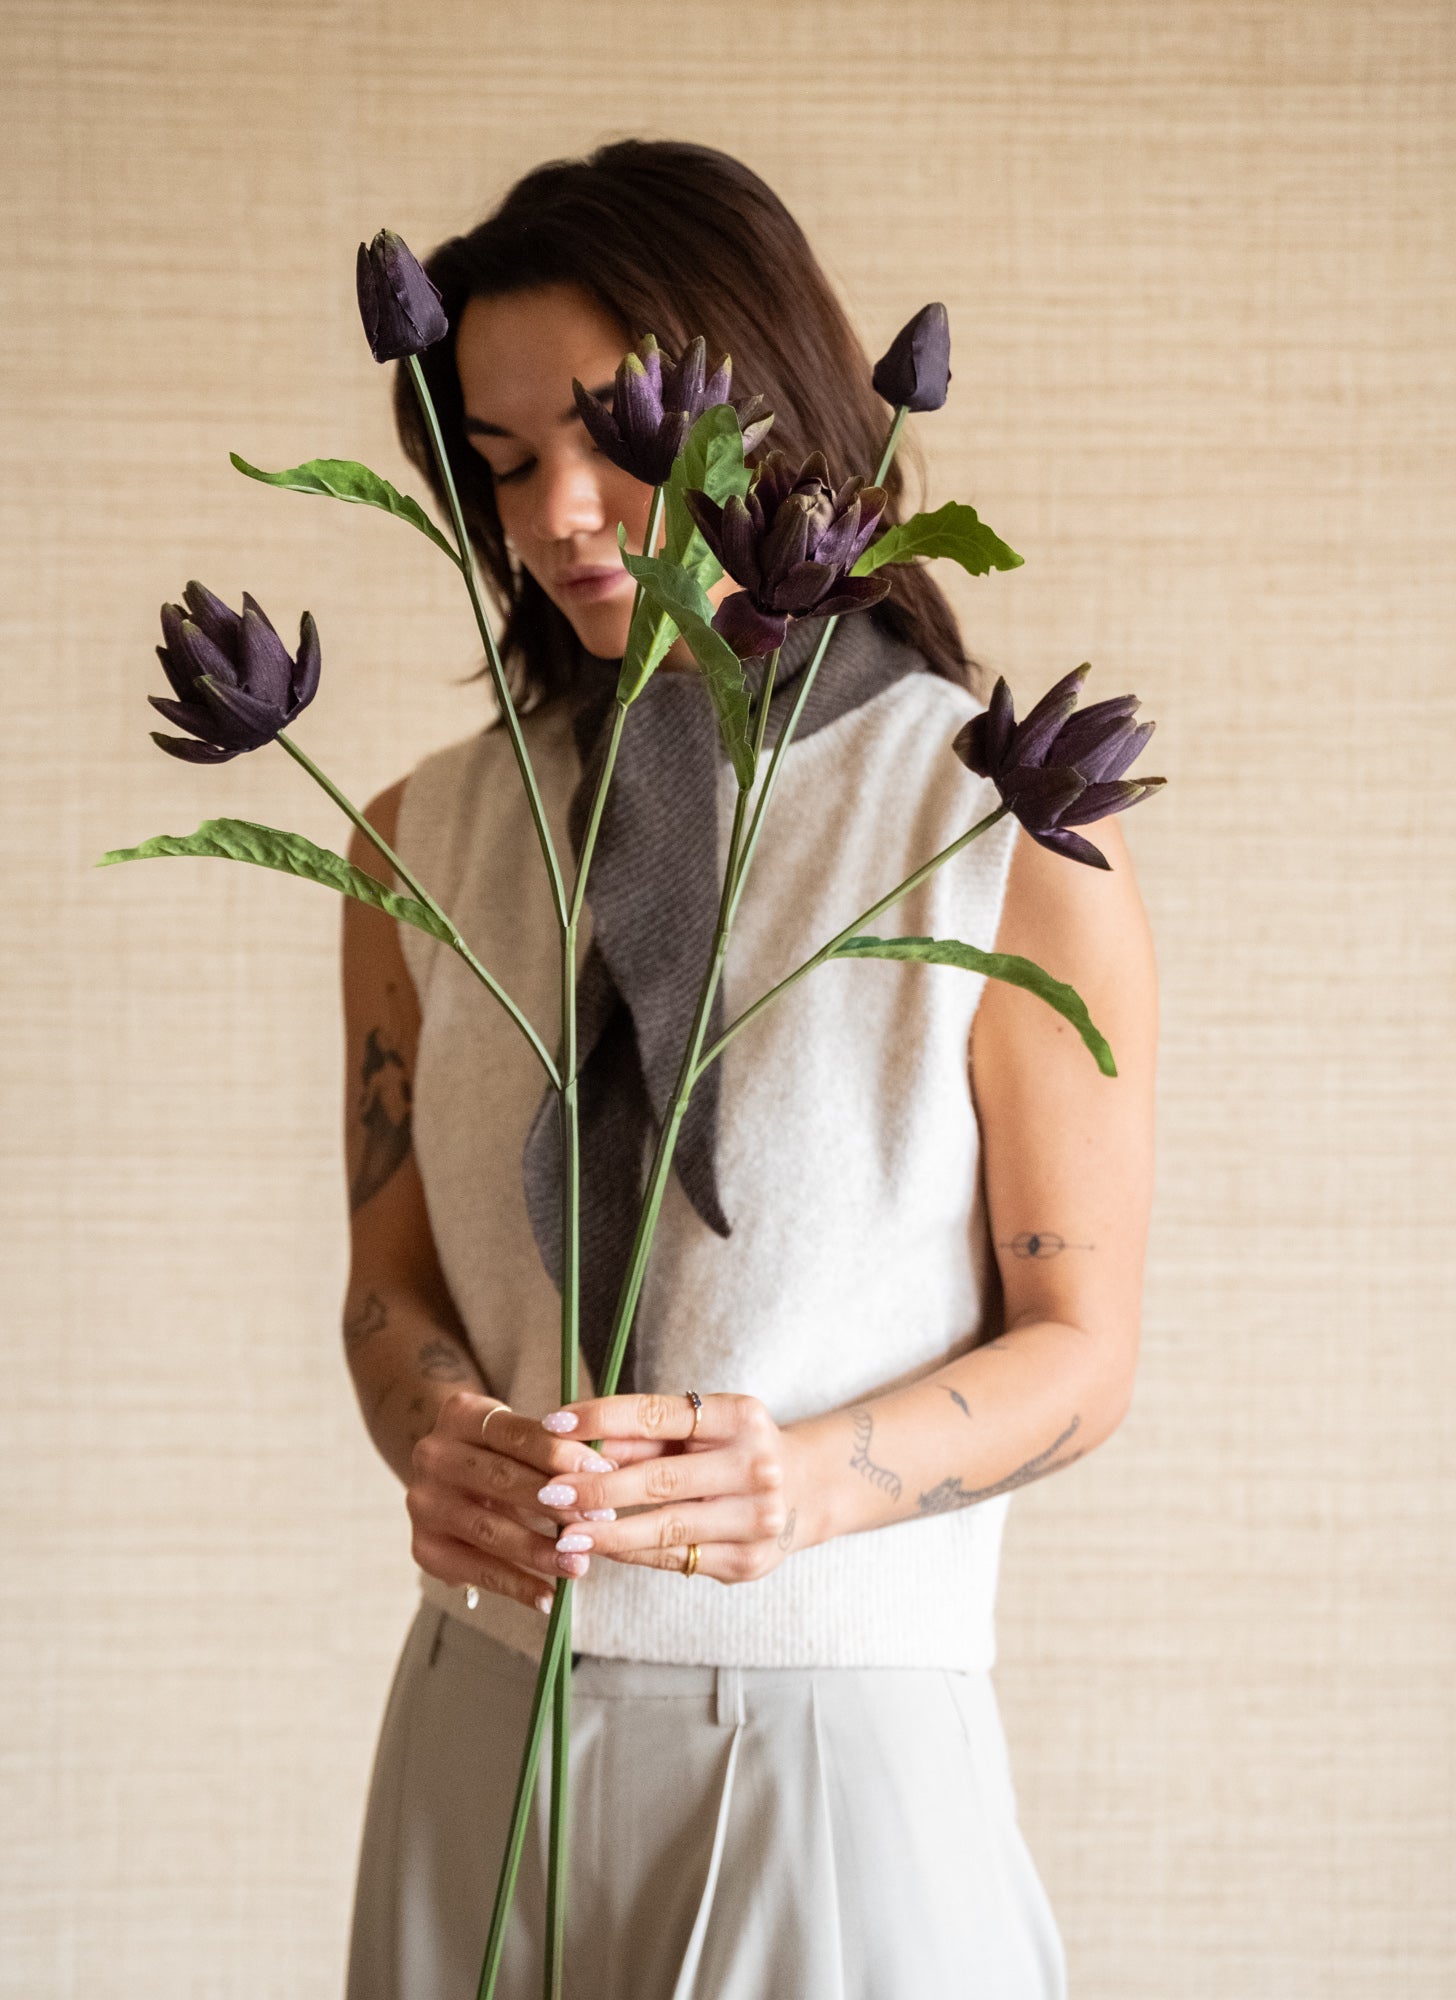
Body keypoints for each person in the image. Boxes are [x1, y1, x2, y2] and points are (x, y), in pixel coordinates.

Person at [338, 140, 1156, 2000]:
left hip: (831, 1754)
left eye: (609, 435)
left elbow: (1083, 1352)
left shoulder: (1001, 827)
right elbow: (388, 1288)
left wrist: (808, 1485)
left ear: (765, 412)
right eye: (501, 460)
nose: (559, 512)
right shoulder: (411, 842)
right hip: (474, 1727)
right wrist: (440, 1430)